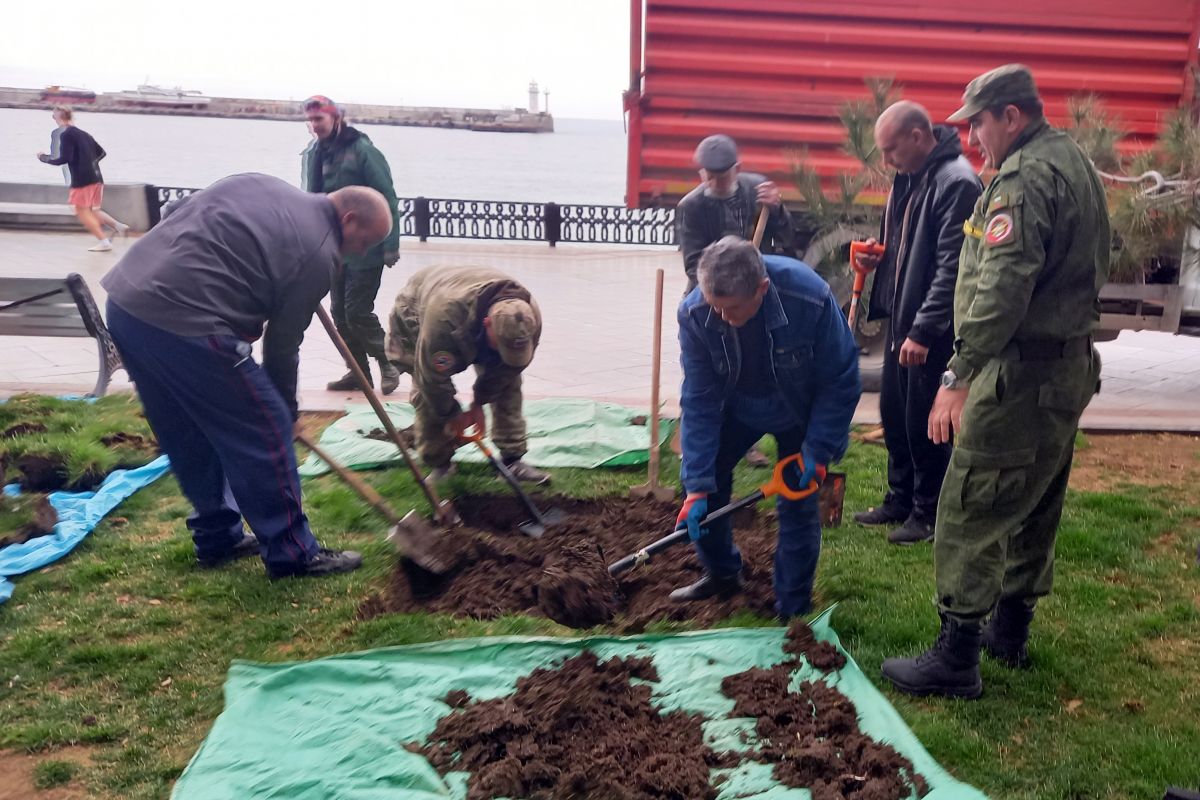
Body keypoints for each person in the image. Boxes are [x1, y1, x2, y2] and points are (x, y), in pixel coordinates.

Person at [881, 65, 1109, 698]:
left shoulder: (1023, 178)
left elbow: (1004, 286)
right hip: (1064, 368)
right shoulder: (1072, 161)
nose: (975, 137)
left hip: (1019, 371)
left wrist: (957, 373)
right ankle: (1009, 632)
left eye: (979, 122)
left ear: (1012, 115)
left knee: (970, 503)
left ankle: (956, 657)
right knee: (1035, 500)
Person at [100, 173, 394, 579]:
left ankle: (218, 536)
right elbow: (282, 345)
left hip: (127, 303)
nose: (358, 254)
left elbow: (175, 211)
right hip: (189, 320)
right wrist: (285, 412)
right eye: (363, 243)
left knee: (187, 429)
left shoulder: (260, 184)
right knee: (265, 425)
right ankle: (293, 554)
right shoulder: (320, 254)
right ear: (348, 219)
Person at [672, 237, 860, 618]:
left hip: (798, 408)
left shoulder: (810, 298)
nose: (721, 317)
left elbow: (839, 378)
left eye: (733, 309)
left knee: (798, 504)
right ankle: (722, 575)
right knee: (706, 490)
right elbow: (700, 398)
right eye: (714, 307)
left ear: (762, 288)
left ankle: (792, 607)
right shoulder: (694, 314)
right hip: (735, 405)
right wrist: (696, 485)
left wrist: (820, 450)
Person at [852, 101, 982, 544]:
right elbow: (908, 246)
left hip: (930, 330)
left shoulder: (957, 181)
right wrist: (879, 254)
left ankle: (928, 513)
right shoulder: (910, 176)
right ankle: (900, 498)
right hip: (902, 321)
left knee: (926, 424)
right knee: (894, 413)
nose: (886, 161)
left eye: (891, 151)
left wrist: (925, 330)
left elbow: (954, 267)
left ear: (917, 136)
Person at [677, 134, 800, 467]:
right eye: (709, 176)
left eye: (723, 175)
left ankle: (748, 439)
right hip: (709, 299)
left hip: (754, 298)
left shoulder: (757, 192)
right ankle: (706, 440)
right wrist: (726, 287)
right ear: (701, 174)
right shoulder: (691, 207)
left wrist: (778, 209)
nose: (716, 182)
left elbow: (789, 238)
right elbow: (692, 264)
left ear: (738, 169)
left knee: (752, 368)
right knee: (712, 372)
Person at [385, 266, 550, 485]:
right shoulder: (444, 321)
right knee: (428, 395)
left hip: (463, 296)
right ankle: (439, 463)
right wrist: (453, 414)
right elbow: (433, 380)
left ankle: (512, 461)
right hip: (419, 305)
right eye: (501, 345)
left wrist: (479, 403)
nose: (506, 352)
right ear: (487, 323)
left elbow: (508, 370)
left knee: (507, 381)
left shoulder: (529, 316)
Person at [301, 95, 402, 395]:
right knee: (339, 316)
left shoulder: (363, 151)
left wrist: (390, 244)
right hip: (333, 247)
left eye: (319, 119)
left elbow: (388, 196)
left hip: (366, 246)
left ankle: (388, 362)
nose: (314, 126)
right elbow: (311, 199)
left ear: (336, 118)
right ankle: (357, 372)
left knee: (358, 311)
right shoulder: (312, 153)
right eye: (310, 121)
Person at [36, 106, 128, 251]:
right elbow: (102, 153)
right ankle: (119, 226)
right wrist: (88, 163)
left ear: (59, 117)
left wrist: (43, 158)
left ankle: (104, 242)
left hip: (83, 181)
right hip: (97, 178)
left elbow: (63, 158)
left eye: (53, 116)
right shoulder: (85, 134)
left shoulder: (66, 135)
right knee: (93, 210)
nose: (53, 119)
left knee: (81, 212)